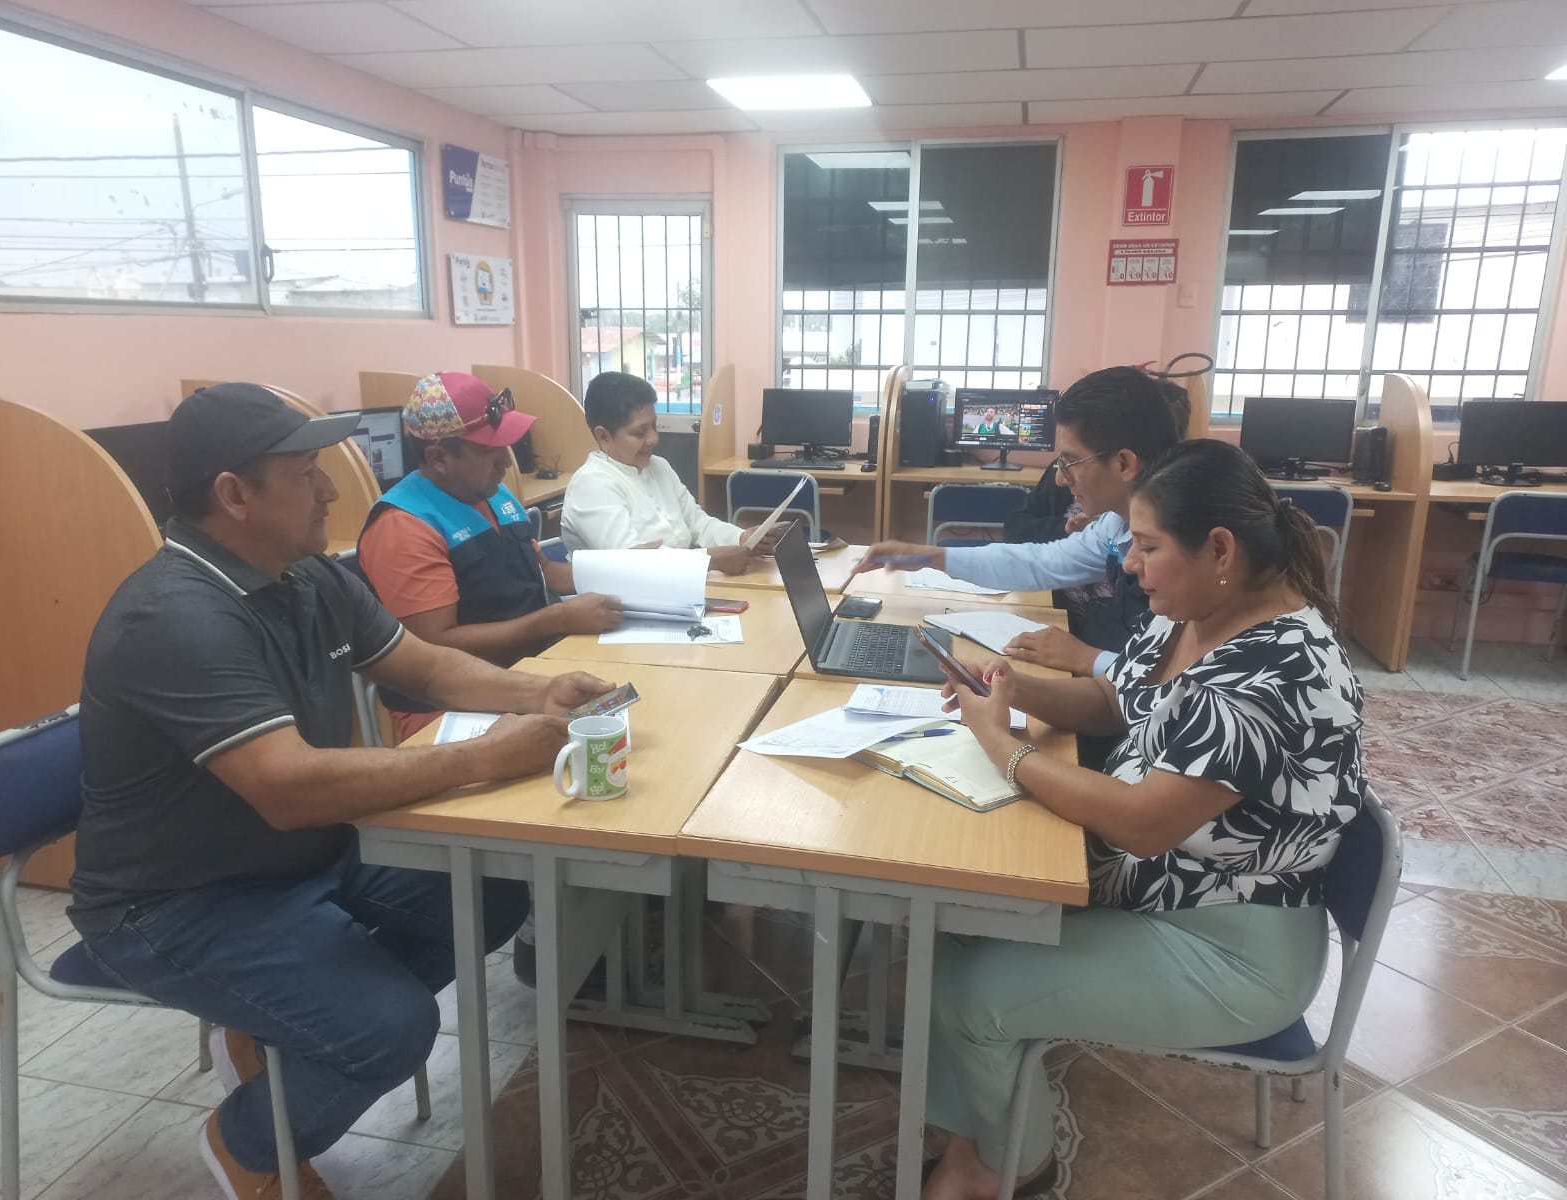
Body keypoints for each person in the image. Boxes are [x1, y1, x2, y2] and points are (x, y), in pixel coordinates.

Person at [69, 383, 611, 1200]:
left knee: (489, 894)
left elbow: (424, 665)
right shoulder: (175, 617)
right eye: (306, 474)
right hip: (174, 900)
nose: (329, 489)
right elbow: (286, 787)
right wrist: (486, 758)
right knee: (387, 1029)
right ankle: (250, 1143)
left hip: (296, 854)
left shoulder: (304, 575)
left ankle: (284, 1032)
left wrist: (538, 695)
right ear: (235, 495)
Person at [920, 439, 1364, 1199]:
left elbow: (1143, 824)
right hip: (1162, 893)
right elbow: (1112, 697)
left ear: (1218, 549)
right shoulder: (1194, 611)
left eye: (1148, 546)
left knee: (975, 993)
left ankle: (1015, 1163)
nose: (1129, 564)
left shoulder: (1277, 671)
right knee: (960, 920)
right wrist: (1009, 688)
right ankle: (979, 1141)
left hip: (1228, 946)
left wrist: (1005, 748)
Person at [857, 368, 1186, 762]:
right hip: (1120, 711)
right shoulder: (1116, 524)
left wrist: (1086, 658)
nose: (1060, 481)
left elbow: (1186, 688)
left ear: (1125, 463)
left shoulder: (1186, 549)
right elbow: (1040, 561)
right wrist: (930, 557)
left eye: (1070, 462)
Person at [358, 371, 622, 744]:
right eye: (488, 450)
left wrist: (626, 572)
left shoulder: (492, 493)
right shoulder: (403, 525)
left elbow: (544, 572)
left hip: (530, 673)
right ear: (438, 458)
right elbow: (434, 648)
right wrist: (556, 618)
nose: (505, 461)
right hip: (451, 709)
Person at [561, 371, 777, 572]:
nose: (653, 439)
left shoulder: (659, 466)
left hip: (678, 585)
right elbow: (630, 561)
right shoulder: (591, 484)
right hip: (621, 596)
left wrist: (741, 537)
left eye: (654, 427)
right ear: (603, 437)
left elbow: (698, 523)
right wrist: (709, 560)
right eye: (639, 433)